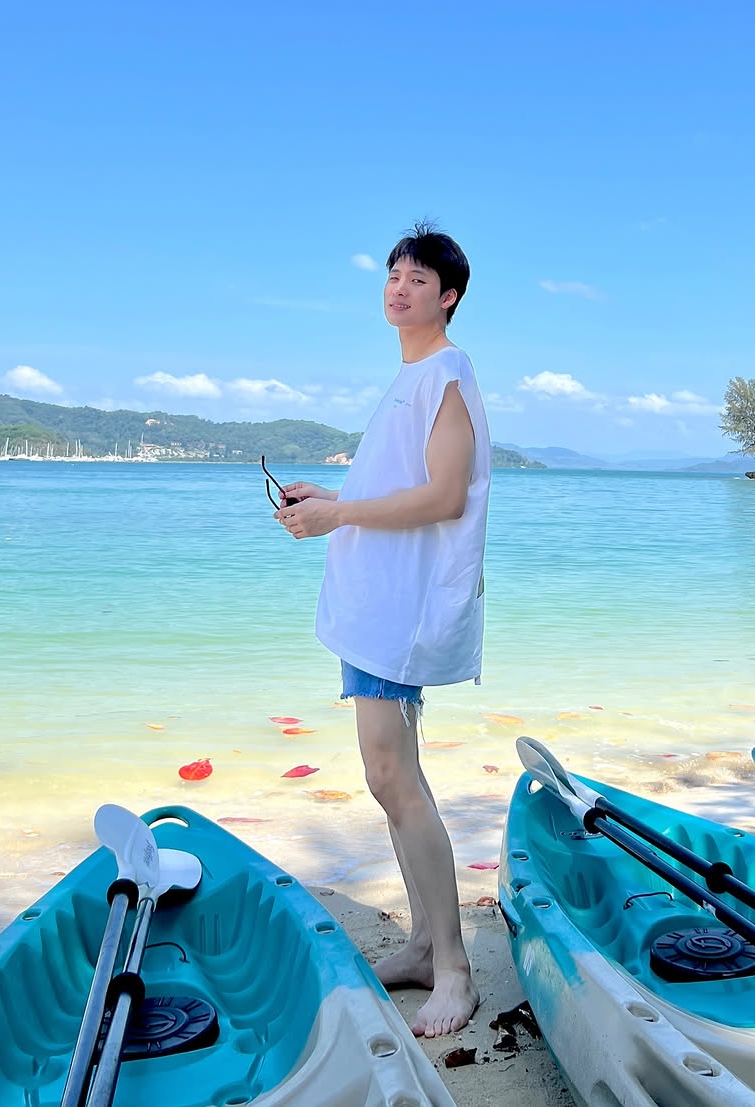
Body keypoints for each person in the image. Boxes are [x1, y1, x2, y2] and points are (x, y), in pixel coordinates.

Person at [273, 222, 491, 1038]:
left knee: (393, 775)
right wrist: (329, 499)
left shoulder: (447, 373)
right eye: (394, 274)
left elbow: (444, 495)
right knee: (391, 777)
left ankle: (455, 969)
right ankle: (426, 944)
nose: (399, 287)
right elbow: (398, 481)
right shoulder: (411, 377)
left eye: (417, 278)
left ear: (449, 297)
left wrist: (338, 516)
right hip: (378, 605)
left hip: (400, 610)